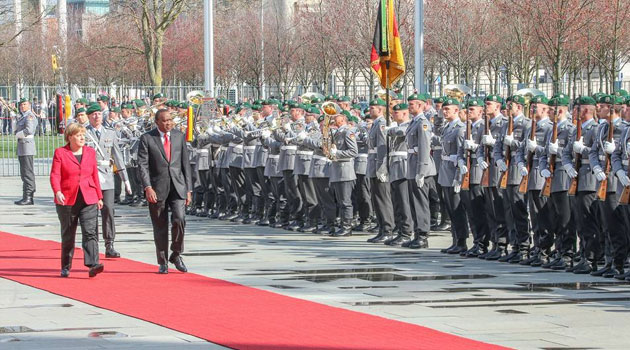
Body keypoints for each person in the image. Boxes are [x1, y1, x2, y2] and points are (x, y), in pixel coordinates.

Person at [138, 109, 193, 274]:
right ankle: (162, 261)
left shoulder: (178, 136)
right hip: (157, 188)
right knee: (160, 225)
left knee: (180, 219)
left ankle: (176, 253)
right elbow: (143, 165)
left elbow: (185, 164)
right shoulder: (147, 138)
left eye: (170, 120)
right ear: (157, 122)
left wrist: (188, 189)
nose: (168, 123)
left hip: (178, 186)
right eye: (164, 120)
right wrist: (148, 187)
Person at [50, 123, 104, 278]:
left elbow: (94, 175)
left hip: (89, 198)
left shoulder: (90, 152)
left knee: (90, 232)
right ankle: (66, 266)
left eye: (83, 134)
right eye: (78, 135)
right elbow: (55, 175)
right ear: (69, 137)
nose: (82, 137)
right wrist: (57, 191)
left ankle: (93, 264)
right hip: (67, 199)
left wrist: (99, 196)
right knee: (68, 234)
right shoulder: (60, 153)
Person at [14, 98, 39, 205]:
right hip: (22, 147)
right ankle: (26, 195)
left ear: (29, 105)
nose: (22, 106)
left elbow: (29, 130)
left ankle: (29, 196)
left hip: (27, 146)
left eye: (25, 104)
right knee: (24, 172)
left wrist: (18, 134)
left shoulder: (29, 116)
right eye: (21, 105)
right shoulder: (22, 117)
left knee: (27, 172)